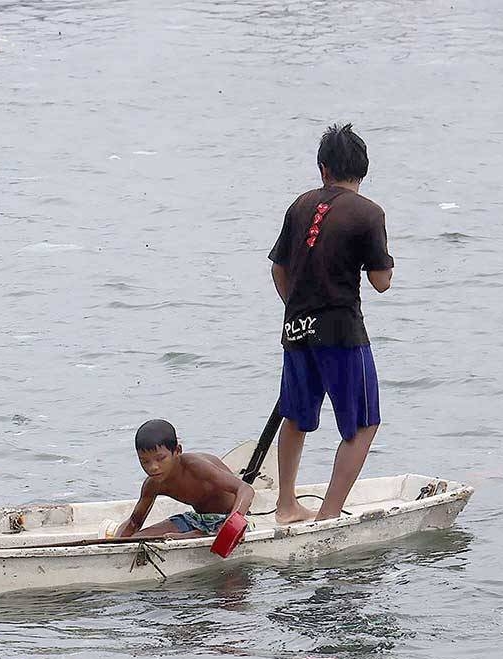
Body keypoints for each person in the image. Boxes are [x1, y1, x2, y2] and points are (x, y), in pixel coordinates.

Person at [268, 123, 393, 523]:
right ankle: (329, 515)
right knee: (362, 424)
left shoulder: (300, 204)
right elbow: (381, 282)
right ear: (364, 168)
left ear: (323, 169)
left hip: (296, 328)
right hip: (342, 331)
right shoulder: (369, 213)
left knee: (296, 416)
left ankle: (286, 505)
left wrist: (297, 308)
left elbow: (278, 269)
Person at [113, 419, 255, 541]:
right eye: (145, 461)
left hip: (231, 518)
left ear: (177, 451)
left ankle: (197, 535)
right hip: (197, 519)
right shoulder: (153, 484)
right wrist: (115, 543)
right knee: (140, 539)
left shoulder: (196, 466)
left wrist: (234, 523)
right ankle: (196, 534)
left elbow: (245, 489)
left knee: (174, 537)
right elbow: (134, 522)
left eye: (160, 458)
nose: (153, 467)